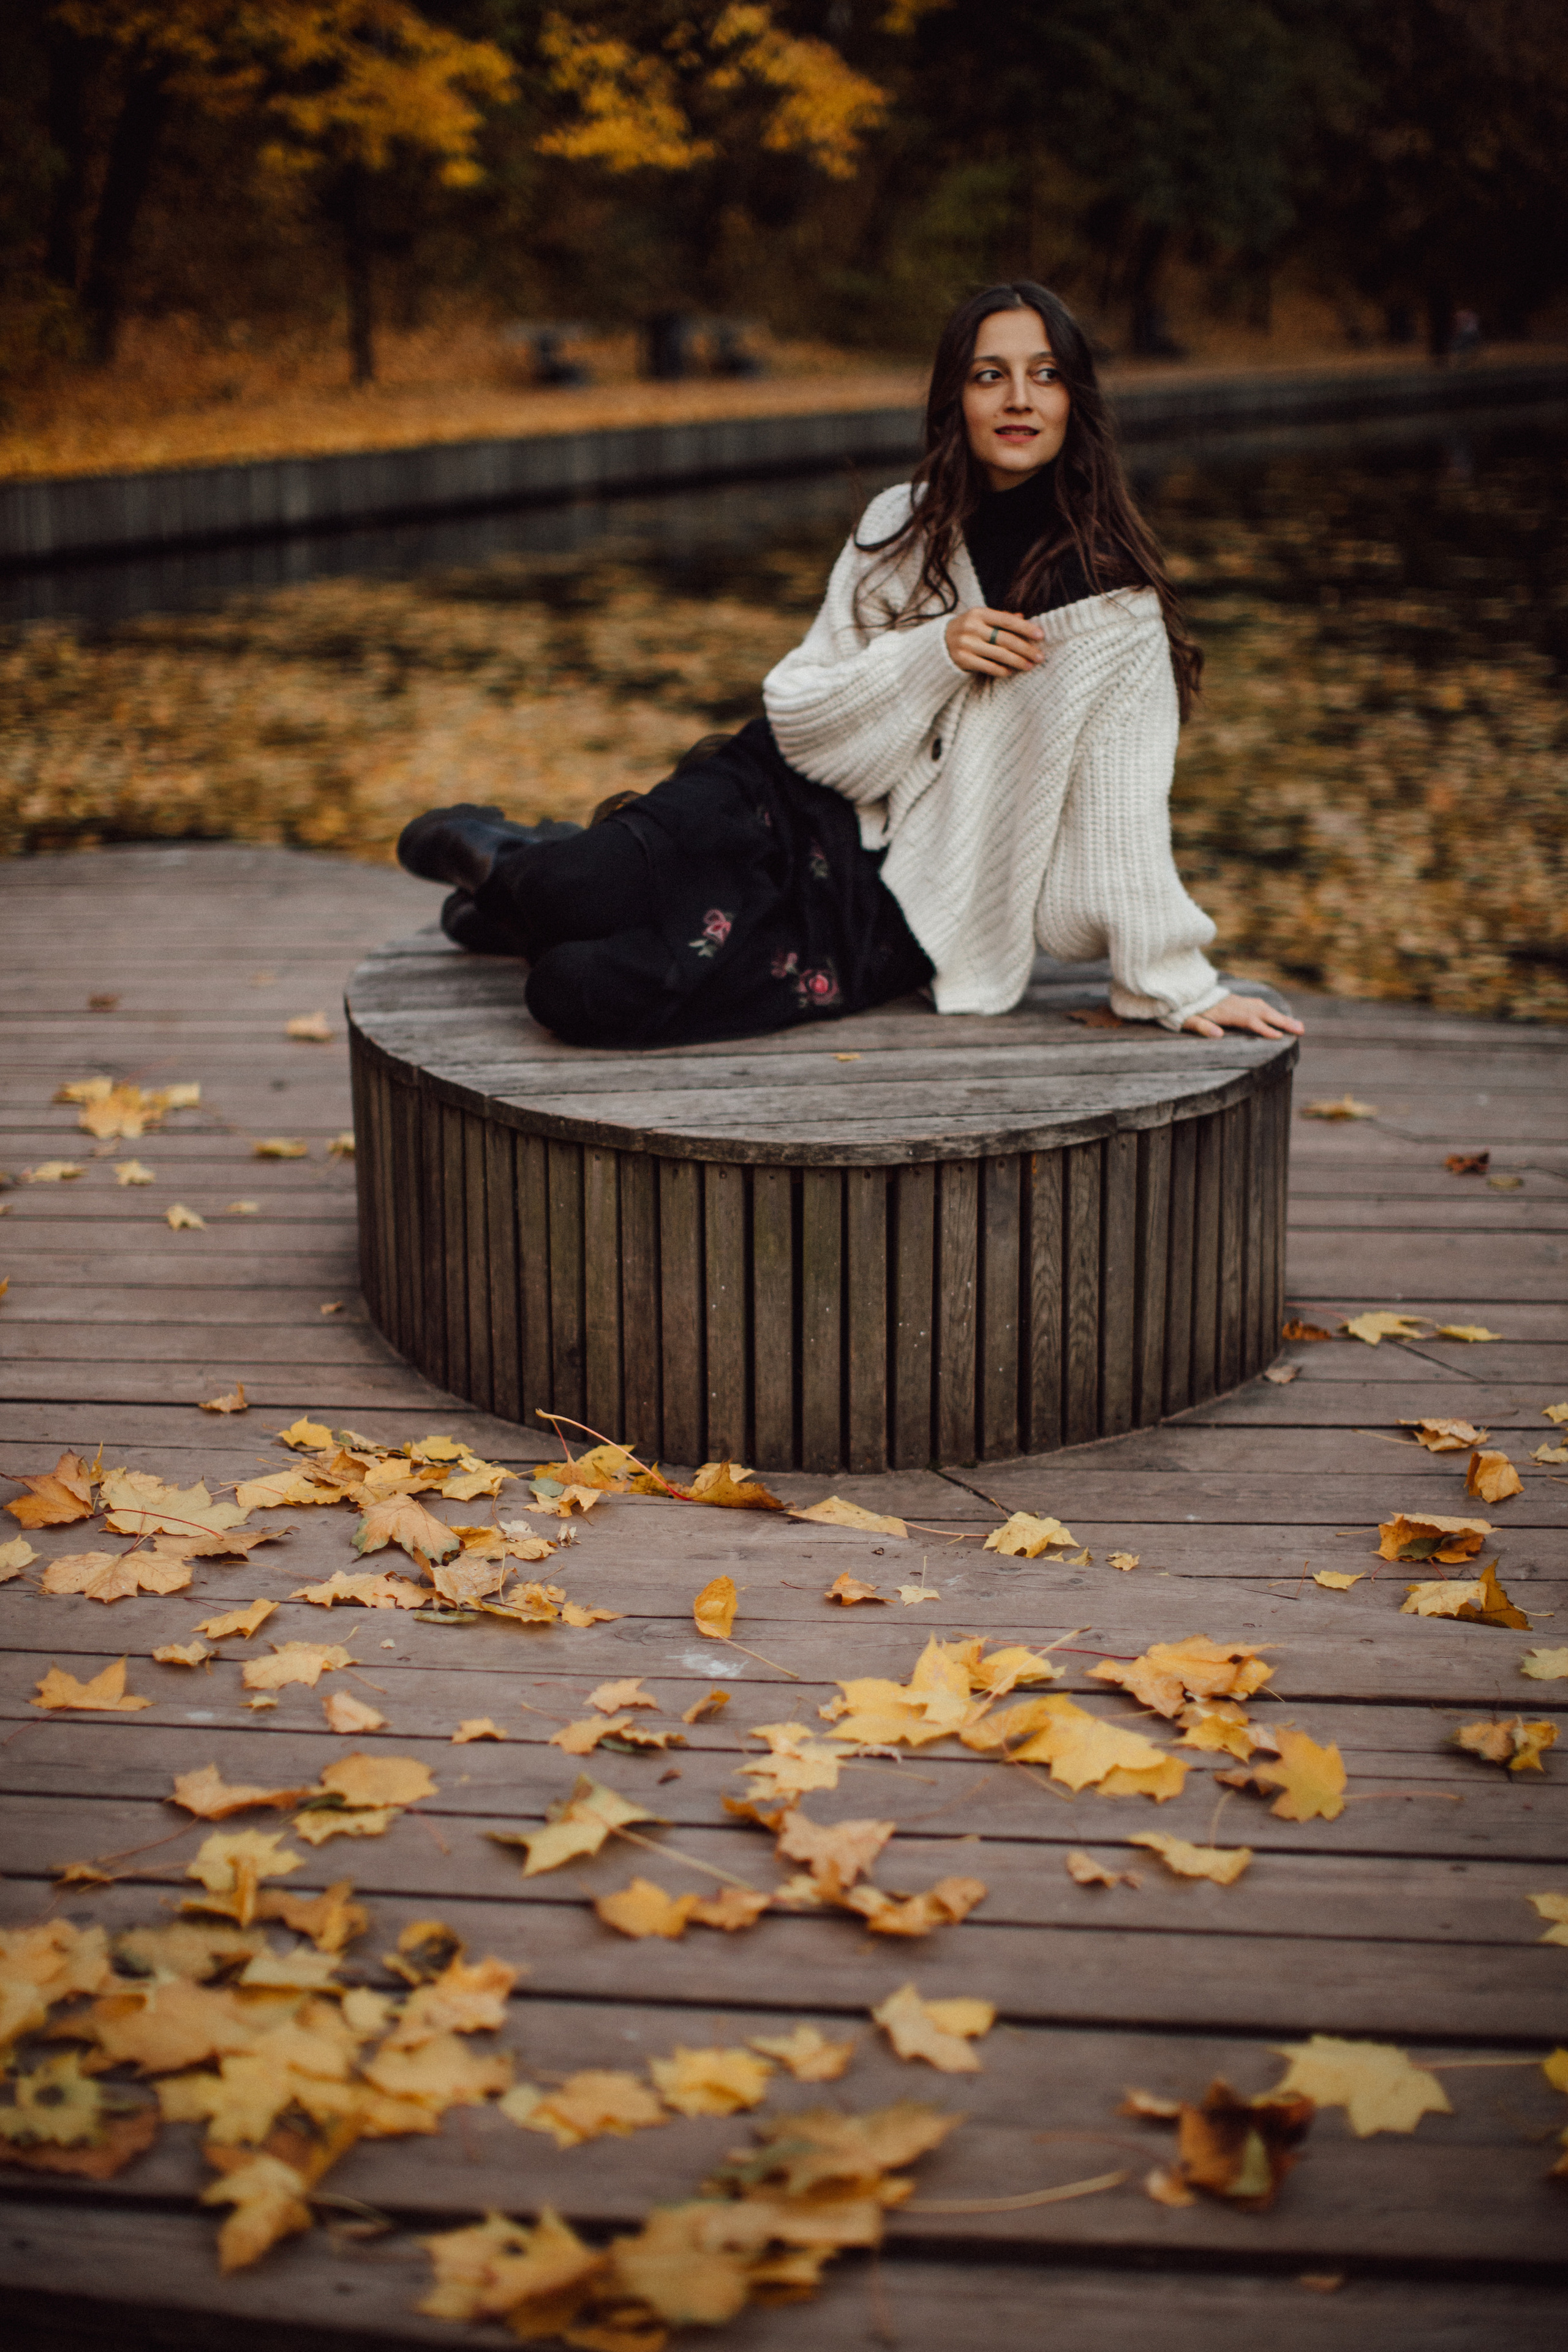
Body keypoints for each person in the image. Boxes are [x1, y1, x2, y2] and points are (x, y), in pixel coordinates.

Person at [398, 281, 1302, 1052]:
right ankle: (503, 854)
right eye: (992, 375)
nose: (1019, 399)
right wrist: (930, 657)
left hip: (890, 920)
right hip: (784, 797)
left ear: (1076, 401)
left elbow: (1119, 826)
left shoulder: (1114, 613)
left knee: (577, 992)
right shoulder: (899, 524)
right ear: (957, 398)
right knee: (571, 886)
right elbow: (804, 719)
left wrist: (1173, 984)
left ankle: (524, 910)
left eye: (1046, 375)